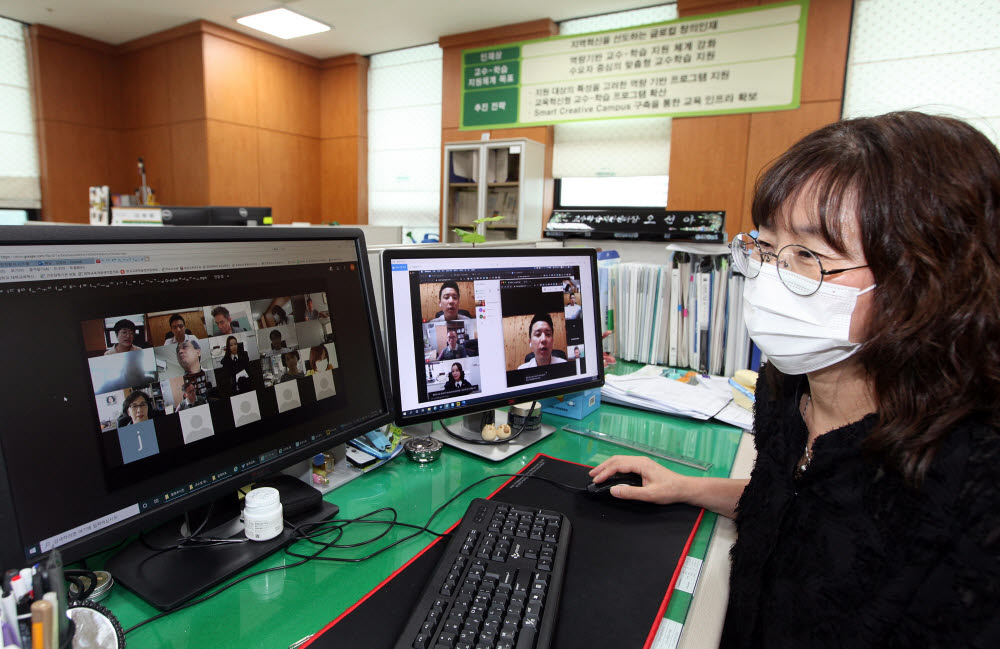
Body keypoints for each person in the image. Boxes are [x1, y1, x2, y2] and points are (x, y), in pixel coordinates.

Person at [590, 112, 1000, 648]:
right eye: (763, 246)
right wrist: (687, 487)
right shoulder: (788, 386)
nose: (769, 278)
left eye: (808, 255)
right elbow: (792, 508)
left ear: (926, 281)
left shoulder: (974, 477)